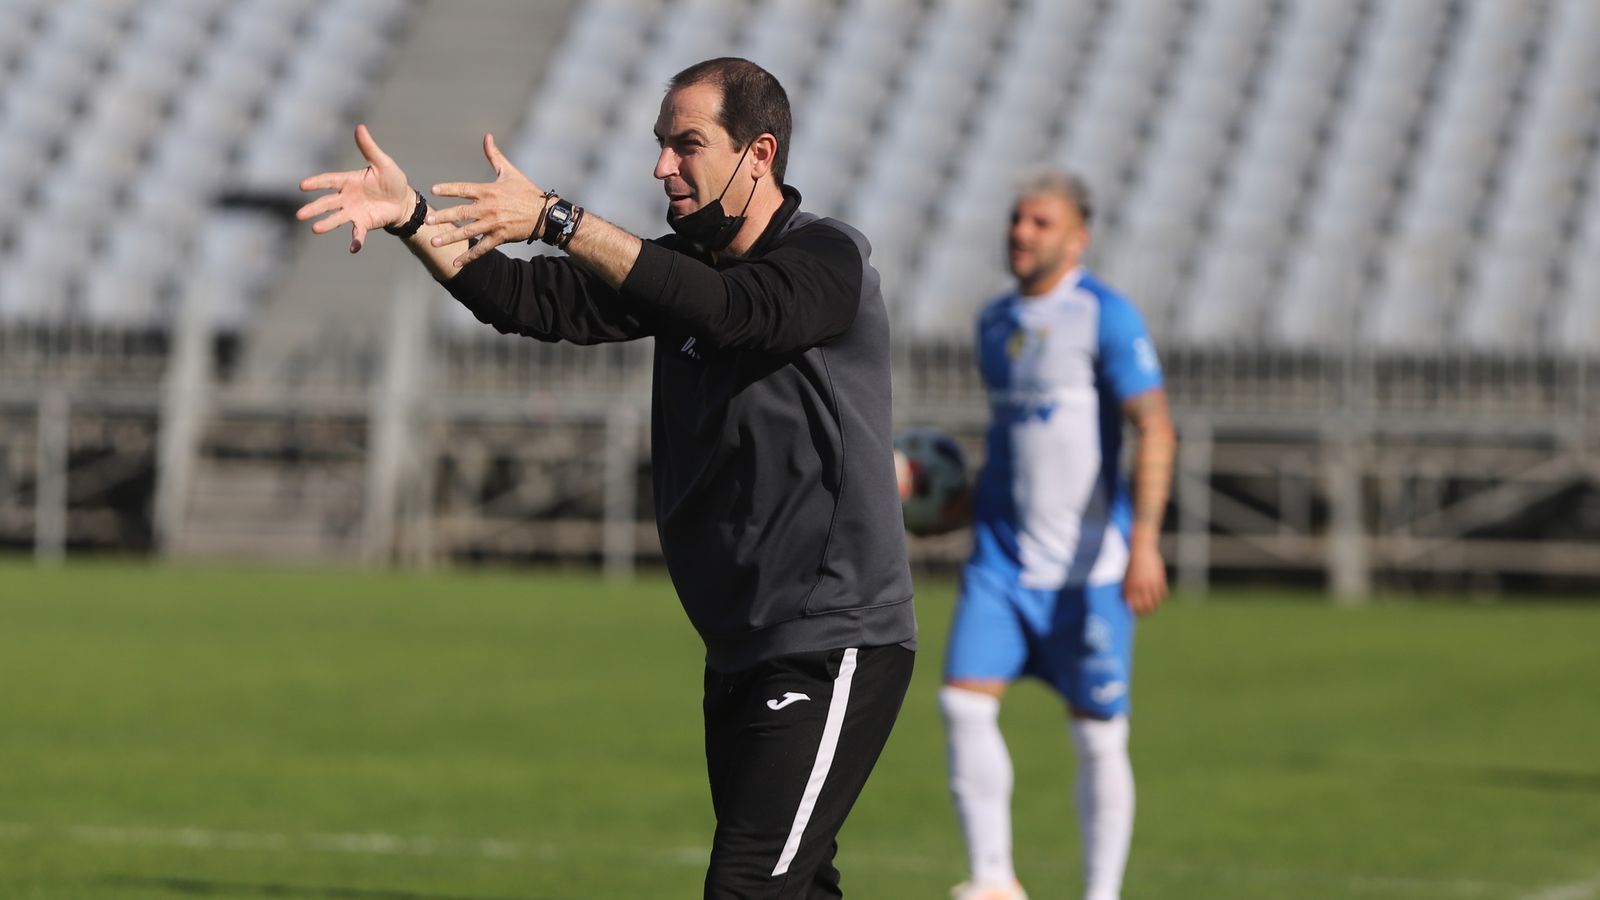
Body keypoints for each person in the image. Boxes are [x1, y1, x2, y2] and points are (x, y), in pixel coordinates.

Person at [296, 57, 916, 899]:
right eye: (660, 145)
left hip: (831, 640)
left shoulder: (825, 260)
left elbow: (734, 315)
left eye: (687, 144)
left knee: (747, 888)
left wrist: (556, 217)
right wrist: (411, 217)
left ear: (759, 154)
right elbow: (522, 300)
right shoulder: (681, 273)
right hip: (740, 640)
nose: (662, 166)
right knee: (797, 889)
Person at [939, 171, 1175, 900]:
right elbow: (1016, 442)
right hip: (1002, 564)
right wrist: (953, 501)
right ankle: (993, 879)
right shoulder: (992, 322)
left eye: (1041, 223)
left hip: (1092, 567)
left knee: (1099, 735)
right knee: (961, 703)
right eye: (1016, 219)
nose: (1021, 233)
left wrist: (1143, 544)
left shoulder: (1106, 316)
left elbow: (1155, 427)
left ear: (1077, 239)